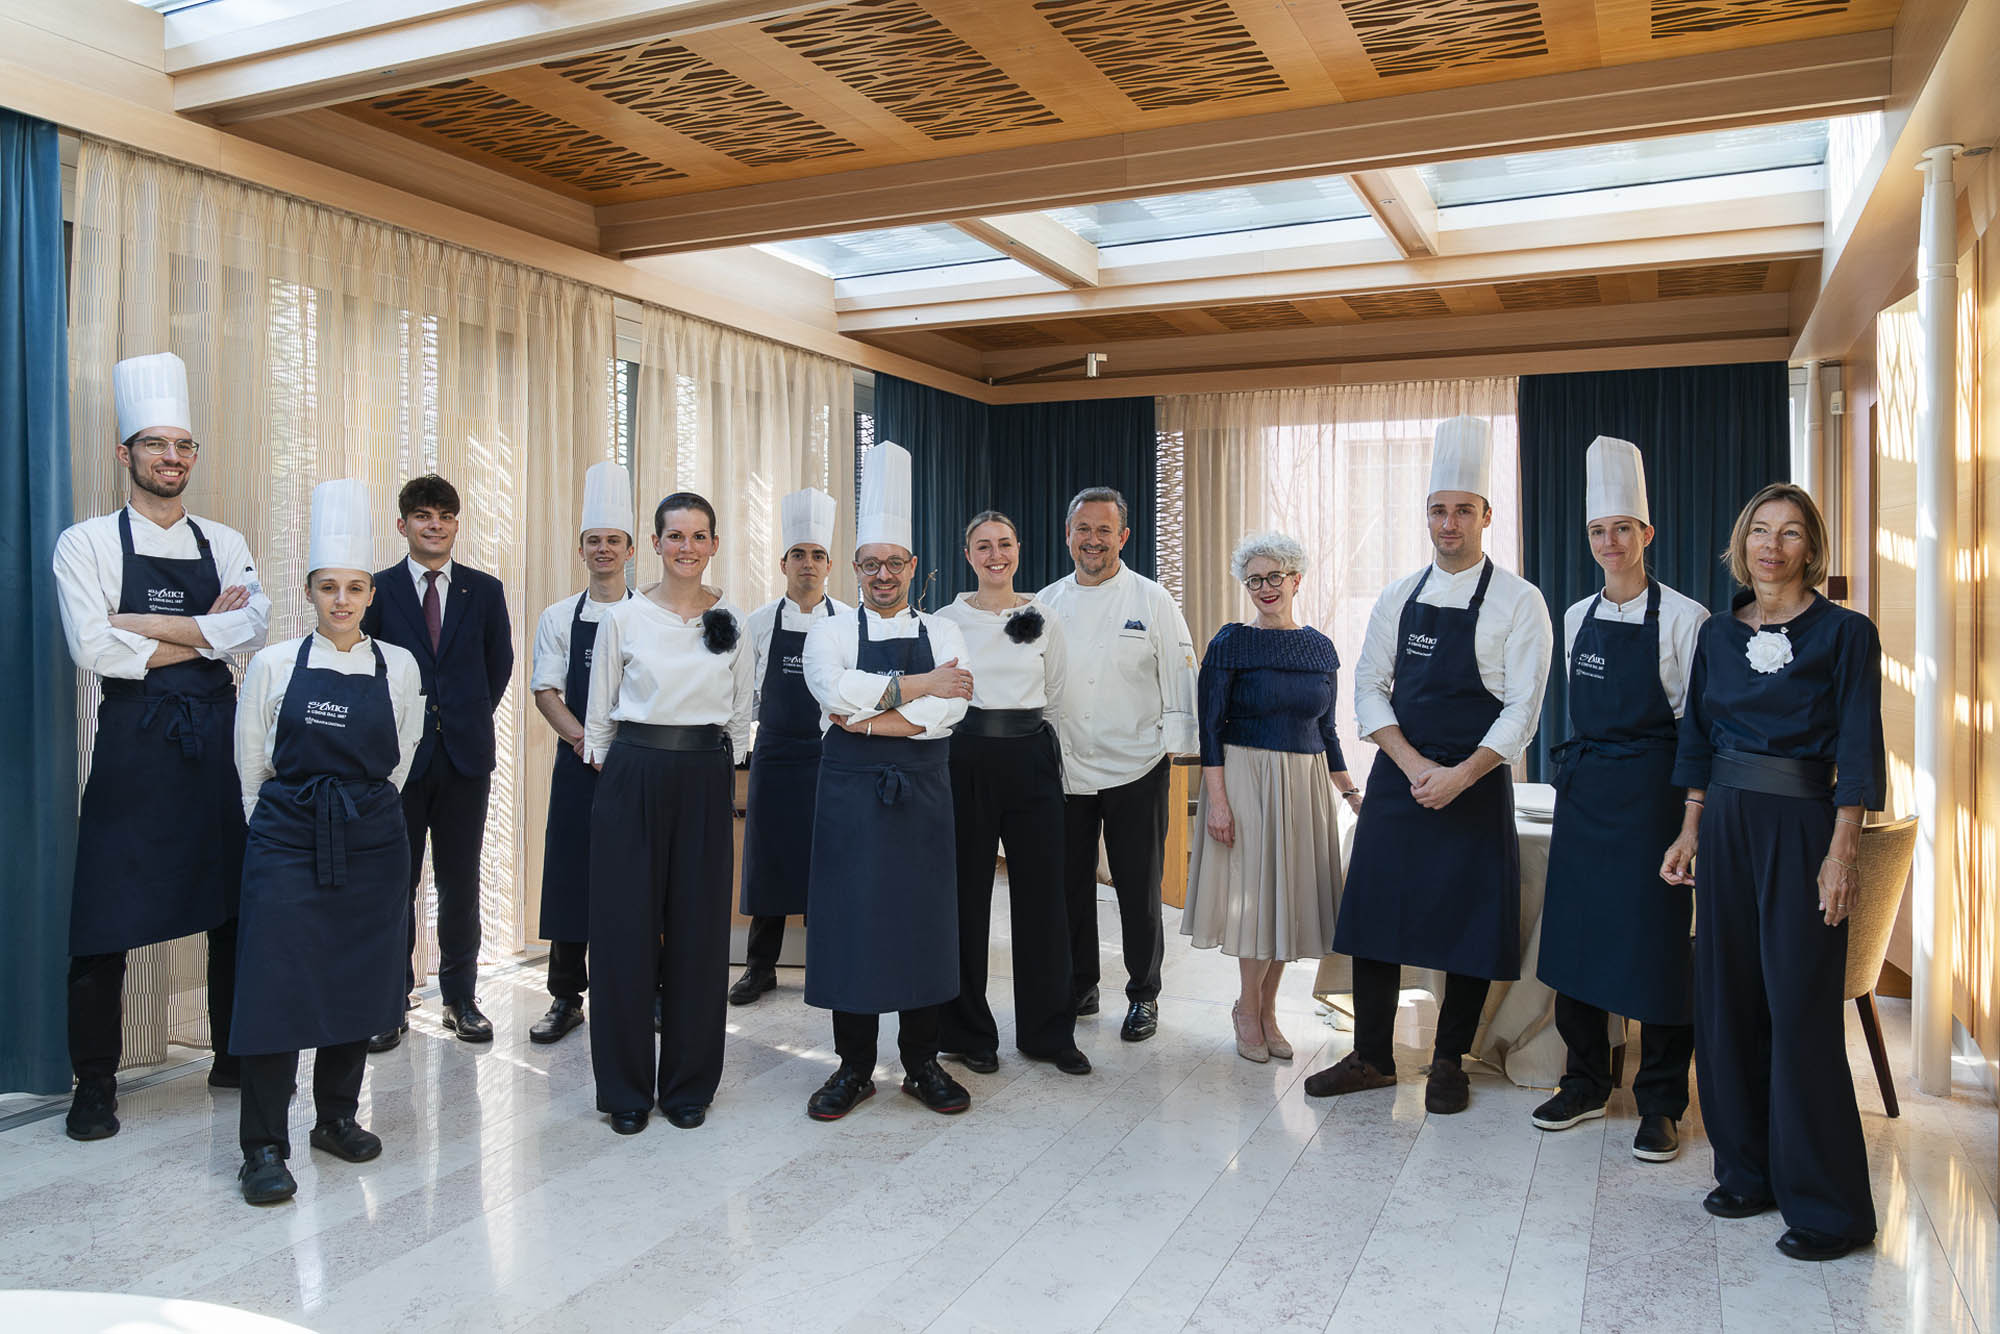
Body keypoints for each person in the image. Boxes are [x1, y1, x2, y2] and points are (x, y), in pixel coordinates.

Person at [1661, 482, 1884, 1263]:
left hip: (1801, 826)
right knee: (1726, 1000)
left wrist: (1842, 852)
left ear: (1810, 548)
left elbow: (1858, 748)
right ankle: (1747, 1171)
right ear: (1742, 541)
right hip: (1725, 822)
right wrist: (1689, 830)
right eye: (1760, 530)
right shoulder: (1718, 635)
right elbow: (1697, 738)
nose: (1772, 545)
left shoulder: (1846, 634)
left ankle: (1830, 1209)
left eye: (1790, 533)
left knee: (1800, 1010)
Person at [53, 352, 270, 1141]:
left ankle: (234, 1058)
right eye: (155, 444)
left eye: (183, 445)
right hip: (136, 742)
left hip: (219, 739)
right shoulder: (85, 543)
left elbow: (253, 627)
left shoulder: (226, 539)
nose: (171, 457)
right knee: (102, 914)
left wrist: (139, 625)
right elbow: (91, 647)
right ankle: (95, 1084)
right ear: (126, 454)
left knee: (234, 904)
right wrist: (205, 631)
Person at [1308, 415, 1553, 1114]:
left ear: (1486, 516)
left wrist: (1460, 775)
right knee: (1375, 916)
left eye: (1463, 511)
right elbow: (1367, 687)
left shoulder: (1520, 600)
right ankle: (1372, 1057)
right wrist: (1415, 765)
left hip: (1475, 781)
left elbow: (1523, 709)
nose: (1450, 524)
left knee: (1468, 925)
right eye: (1439, 510)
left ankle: (1449, 1062)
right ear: (1427, 516)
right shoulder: (1398, 595)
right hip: (1400, 777)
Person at [230, 480, 423, 1205]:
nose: (342, 600)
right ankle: (262, 1146)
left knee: (358, 979)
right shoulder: (276, 663)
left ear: (371, 593)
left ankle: (336, 1118)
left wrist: (362, 816)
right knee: (274, 986)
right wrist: (280, 827)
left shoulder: (397, 666)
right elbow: (252, 765)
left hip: (371, 839)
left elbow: (402, 756)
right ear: (309, 591)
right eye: (328, 587)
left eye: (355, 588)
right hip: (286, 835)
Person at [1533, 438, 1707, 1162]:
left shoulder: (1687, 620)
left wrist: (1692, 823)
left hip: (1654, 800)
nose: (1610, 543)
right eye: (1599, 531)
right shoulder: (1575, 616)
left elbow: (1701, 731)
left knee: (1658, 951)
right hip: (1588, 795)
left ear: (1647, 534)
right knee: (1575, 940)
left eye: (1623, 529)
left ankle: (1662, 1100)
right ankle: (1584, 1081)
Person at [799, 441, 974, 1121]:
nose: (882, 575)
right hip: (849, 799)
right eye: (870, 564)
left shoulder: (945, 628)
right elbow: (831, 690)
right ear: (855, 569)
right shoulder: (829, 631)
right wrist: (921, 687)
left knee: (922, 924)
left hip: (923, 797)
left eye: (894, 563)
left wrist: (870, 720)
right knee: (852, 924)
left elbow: (949, 711)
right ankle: (853, 1067)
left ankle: (922, 1063)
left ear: (912, 567)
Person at [583, 492, 753, 1134]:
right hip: (633, 771)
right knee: (623, 932)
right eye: (675, 535)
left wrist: (715, 768)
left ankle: (688, 1085)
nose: (687, 547)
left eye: (699, 536)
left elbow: (740, 715)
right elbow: (599, 717)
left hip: (704, 773)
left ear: (714, 545)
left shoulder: (733, 621)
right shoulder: (623, 618)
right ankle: (624, 1089)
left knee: (700, 933)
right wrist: (621, 779)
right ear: (654, 544)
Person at [1183, 531, 1362, 1063]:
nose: (1265, 587)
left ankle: (1267, 1010)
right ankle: (1246, 1007)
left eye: (1274, 577)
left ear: (1296, 580)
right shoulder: (1229, 642)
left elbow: (1327, 731)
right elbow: (1209, 728)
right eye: (1254, 579)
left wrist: (1350, 791)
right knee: (1256, 902)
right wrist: (1217, 801)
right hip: (1244, 777)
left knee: (1290, 902)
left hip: (1304, 783)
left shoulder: (1320, 647)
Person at [1040, 487, 1198, 1044]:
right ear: (1068, 535)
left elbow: (1181, 672)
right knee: (1070, 886)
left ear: (1123, 537)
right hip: (1066, 767)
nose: (1093, 540)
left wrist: (1177, 747)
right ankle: (1081, 984)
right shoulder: (1045, 603)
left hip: (1138, 765)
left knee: (1138, 888)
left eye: (1104, 530)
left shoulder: (1153, 600)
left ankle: (1143, 993)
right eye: (1083, 529)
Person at [934, 511, 1089, 1077]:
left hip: (1031, 757)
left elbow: (1056, 696)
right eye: (983, 546)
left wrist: (1046, 761)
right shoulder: (945, 621)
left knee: (1044, 897)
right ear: (968, 555)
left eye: (1003, 544)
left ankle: (1049, 1033)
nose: (994, 555)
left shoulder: (1044, 617)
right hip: (965, 756)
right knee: (964, 897)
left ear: (1018, 549)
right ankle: (966, 1033)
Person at [362, 474, 514, 1050]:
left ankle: (460, 999)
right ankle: (390, 1000)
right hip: (397, 762)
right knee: (394, 882)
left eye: (446, 516)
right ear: (402, 524)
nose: (435, 525)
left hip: (465, 759)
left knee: (459, 881)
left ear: (456, 524)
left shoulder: (485, 590)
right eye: (424, 515)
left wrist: (461, 717)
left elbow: (497, 666)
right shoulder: (376, 590)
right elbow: (365, 669)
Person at [525, 462, 635, 1045]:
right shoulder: (557, 617)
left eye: (614, 540)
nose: (603, 549)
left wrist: (621, 750)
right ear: (581, 549)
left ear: (631, 550)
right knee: (570, 875)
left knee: (639, 878)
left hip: (637, 764)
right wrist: (584, 742)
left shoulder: (650, 615)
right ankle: (566, 997)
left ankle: (644, 990)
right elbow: (546, 690)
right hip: (578, 763)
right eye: (594, 540)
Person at [730, 487, 850, 1006]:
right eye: (798, 554)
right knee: (769, 860)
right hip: (775, 756)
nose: (808, 563)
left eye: (817, 555)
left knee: (828, 863)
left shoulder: (848, 623)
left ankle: (828, 966)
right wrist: (737, 746)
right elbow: (743, 695)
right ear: (783, 563)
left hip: (831, 758)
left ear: (829, 565)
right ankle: (760, 968)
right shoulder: (758, 623)